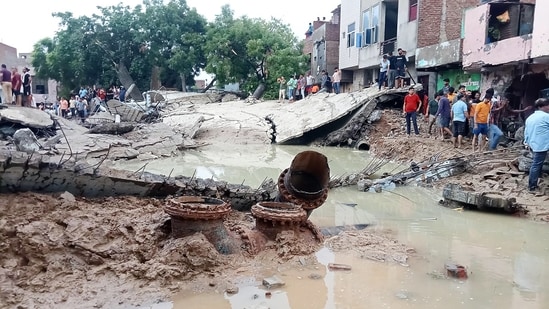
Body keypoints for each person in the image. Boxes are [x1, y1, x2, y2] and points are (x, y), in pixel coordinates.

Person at [524, 98, 549, 192]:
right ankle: (532, 186)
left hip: (533, 144)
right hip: (542, 144)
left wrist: (526, 143)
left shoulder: (530, 118)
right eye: (547, 105)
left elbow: (526, 132)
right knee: (536, 165)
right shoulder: (546, 117)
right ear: (541, 107)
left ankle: (535, 182)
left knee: (537, 164)